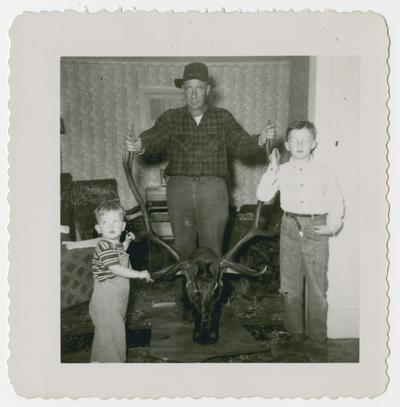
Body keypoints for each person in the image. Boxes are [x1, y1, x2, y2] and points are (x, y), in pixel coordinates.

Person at [125, 61, 275, 259]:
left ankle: (210, 289)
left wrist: (259, 139)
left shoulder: (222, 117)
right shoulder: (171, 117)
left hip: (213, 189)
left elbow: (241, 143)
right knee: (182, 250)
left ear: (208, 90)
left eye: (199, 88)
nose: (193, 94)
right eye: (188, 89)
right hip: (179, 189)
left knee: (212, 251)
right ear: (183, 91)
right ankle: (185, 288)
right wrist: (140, 143)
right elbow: (155, 136)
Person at [256, 120, 344, 343]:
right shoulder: (282, 170)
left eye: (305, 140)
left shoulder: (324, 172)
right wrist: (272, 167)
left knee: (316, 287)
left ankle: (316, 338)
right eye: (294, 140)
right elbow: (264, 196)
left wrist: (333, 226)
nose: (300, 144)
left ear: (314, 143)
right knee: (290, 286)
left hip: (316, 228)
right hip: (289, 227)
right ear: (286, 145)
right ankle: (294, 333)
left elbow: (336, 200)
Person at [89, 201, 151, 363]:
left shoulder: (114, 244)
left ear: (123, 226)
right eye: (105, 222)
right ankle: (114, 370)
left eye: (115, 221)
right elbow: (115, 268)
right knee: (113, 338)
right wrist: (138, 274)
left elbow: (120, 252)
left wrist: (127, 242)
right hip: (106, 300)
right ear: (98, 229)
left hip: (116, 301)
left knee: (107, 335)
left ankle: (97, 362)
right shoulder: (104, 246)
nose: (110, 225)